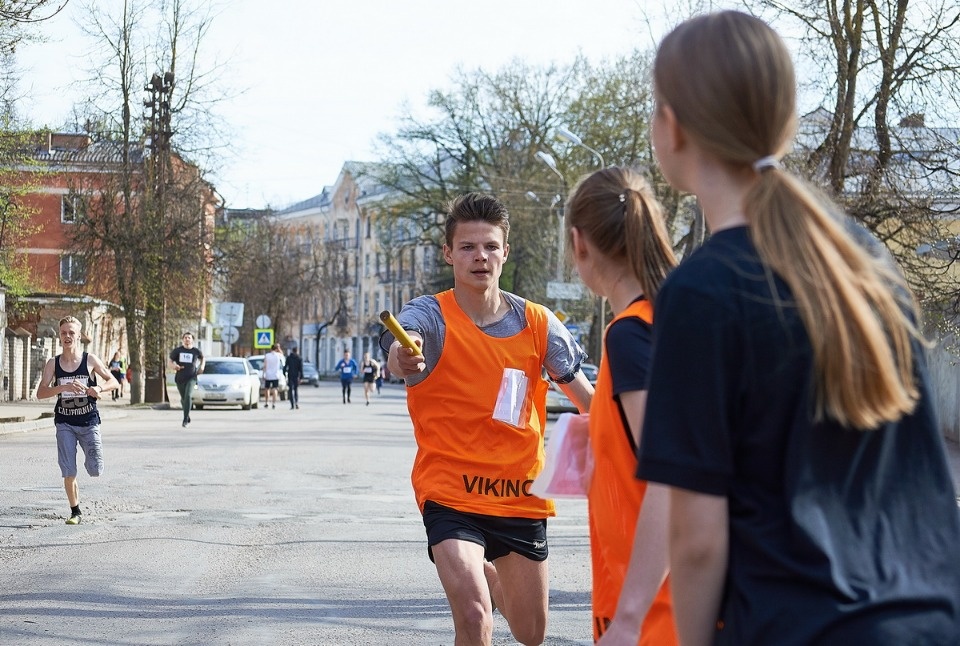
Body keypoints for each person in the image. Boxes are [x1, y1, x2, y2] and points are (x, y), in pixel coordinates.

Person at [637, 11, 960, 645]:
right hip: (928, 620)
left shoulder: (702, 292)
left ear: (671, 127)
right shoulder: (862, 259)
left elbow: (697, 539)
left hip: (798, 627)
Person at [382, 192, 594, 646]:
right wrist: (403, 356)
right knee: (475, 615)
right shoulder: (430, 314)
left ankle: (493, 576)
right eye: (467, 247)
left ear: (505, 252)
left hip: (518, 495)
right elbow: (401, 348)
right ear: (449, 253)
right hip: (450, 492)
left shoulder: (538, 323)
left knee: (531, 633)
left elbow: (589, 403)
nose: (480, 256)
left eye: (490, 246)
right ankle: (481, 583)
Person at [565, 167, 678, 646]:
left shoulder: (631, 334)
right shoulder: (672, 318)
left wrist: (628, 620)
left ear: (579, 244)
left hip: (655, 611)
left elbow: (672, 477)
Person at [35, 316, 119, 525]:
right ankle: (75, 512)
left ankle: (89, 466)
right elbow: (40, 393)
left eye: (71, 332)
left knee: (95, 469)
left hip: (89, 422)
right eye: (63, 333)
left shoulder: (90, 360)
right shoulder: (53, 363)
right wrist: (62, 387)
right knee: (68, 470)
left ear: (79, 336)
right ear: (59, 335)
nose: (67, 336)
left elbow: (113, 381)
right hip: (65, 422)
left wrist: (98, 388)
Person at [169, 332, 204, 428]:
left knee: (188, 396)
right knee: (184, 399)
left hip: (192, 377)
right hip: (180, 378)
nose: (187, 339)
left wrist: (202, 367)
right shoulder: (177, 351)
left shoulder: (196, 351)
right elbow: (170, 361)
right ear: (182, 340)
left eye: (189, 338)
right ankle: (187, 415)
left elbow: (203, 358)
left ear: (192, 340)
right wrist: (174, 366)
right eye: (185, 337)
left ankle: (185, 420)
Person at [263, 343, 284, 409]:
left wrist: (264, 374)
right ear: (276, 349)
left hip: (268, 374)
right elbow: (282, 354)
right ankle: (273, 403)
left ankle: (267, 402)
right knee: (275, 389)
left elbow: (265, 365)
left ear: (271, 349)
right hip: (275, 375)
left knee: (267, 389)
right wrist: (279, 348)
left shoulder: (267, 355)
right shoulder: (278, 355)